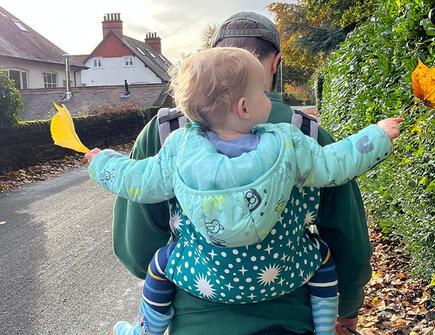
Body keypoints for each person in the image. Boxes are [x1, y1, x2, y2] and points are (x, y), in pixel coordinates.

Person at [87, 47, 401, 335]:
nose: (271, 101)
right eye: (264, 94)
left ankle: (145, 331)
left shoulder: (175, 145)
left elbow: (136, 183)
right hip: (284, 281)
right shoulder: (291, 141)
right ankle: (323, 328)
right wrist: (377, 136)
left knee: (159, 264)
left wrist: (101, 162)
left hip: (201, 291)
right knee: (323, 257)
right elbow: (337, 164)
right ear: (244, 107)